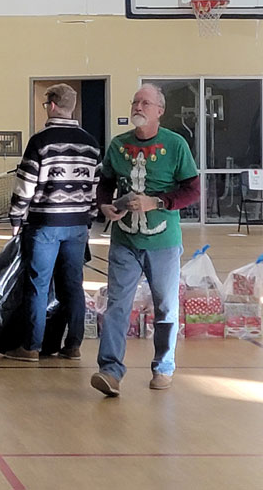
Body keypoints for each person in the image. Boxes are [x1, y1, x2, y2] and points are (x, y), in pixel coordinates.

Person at [91, 83, 200, 396]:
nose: (138, 107)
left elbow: (192, 190)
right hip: (125, 241)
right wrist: (104, 205)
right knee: (117, 306)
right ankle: (110, 371)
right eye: (135, 102)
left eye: (145, 103)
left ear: (160, 111)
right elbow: (105, 182)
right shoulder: (118, 145)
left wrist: (158, 202)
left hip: (163, 242)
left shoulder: (176, 145)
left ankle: (163, 367)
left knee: (165, 306)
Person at [4, 84, 101, 362]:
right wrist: (88, 219)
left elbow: (26, 184)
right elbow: (94, 189)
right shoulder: (91, 144)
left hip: (45, 224)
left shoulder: (40, 142)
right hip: (78, 225)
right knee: (73, 285)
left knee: (39, 284)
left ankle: (31, 347)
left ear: (53, 105)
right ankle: (73, 345)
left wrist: (16, 218)